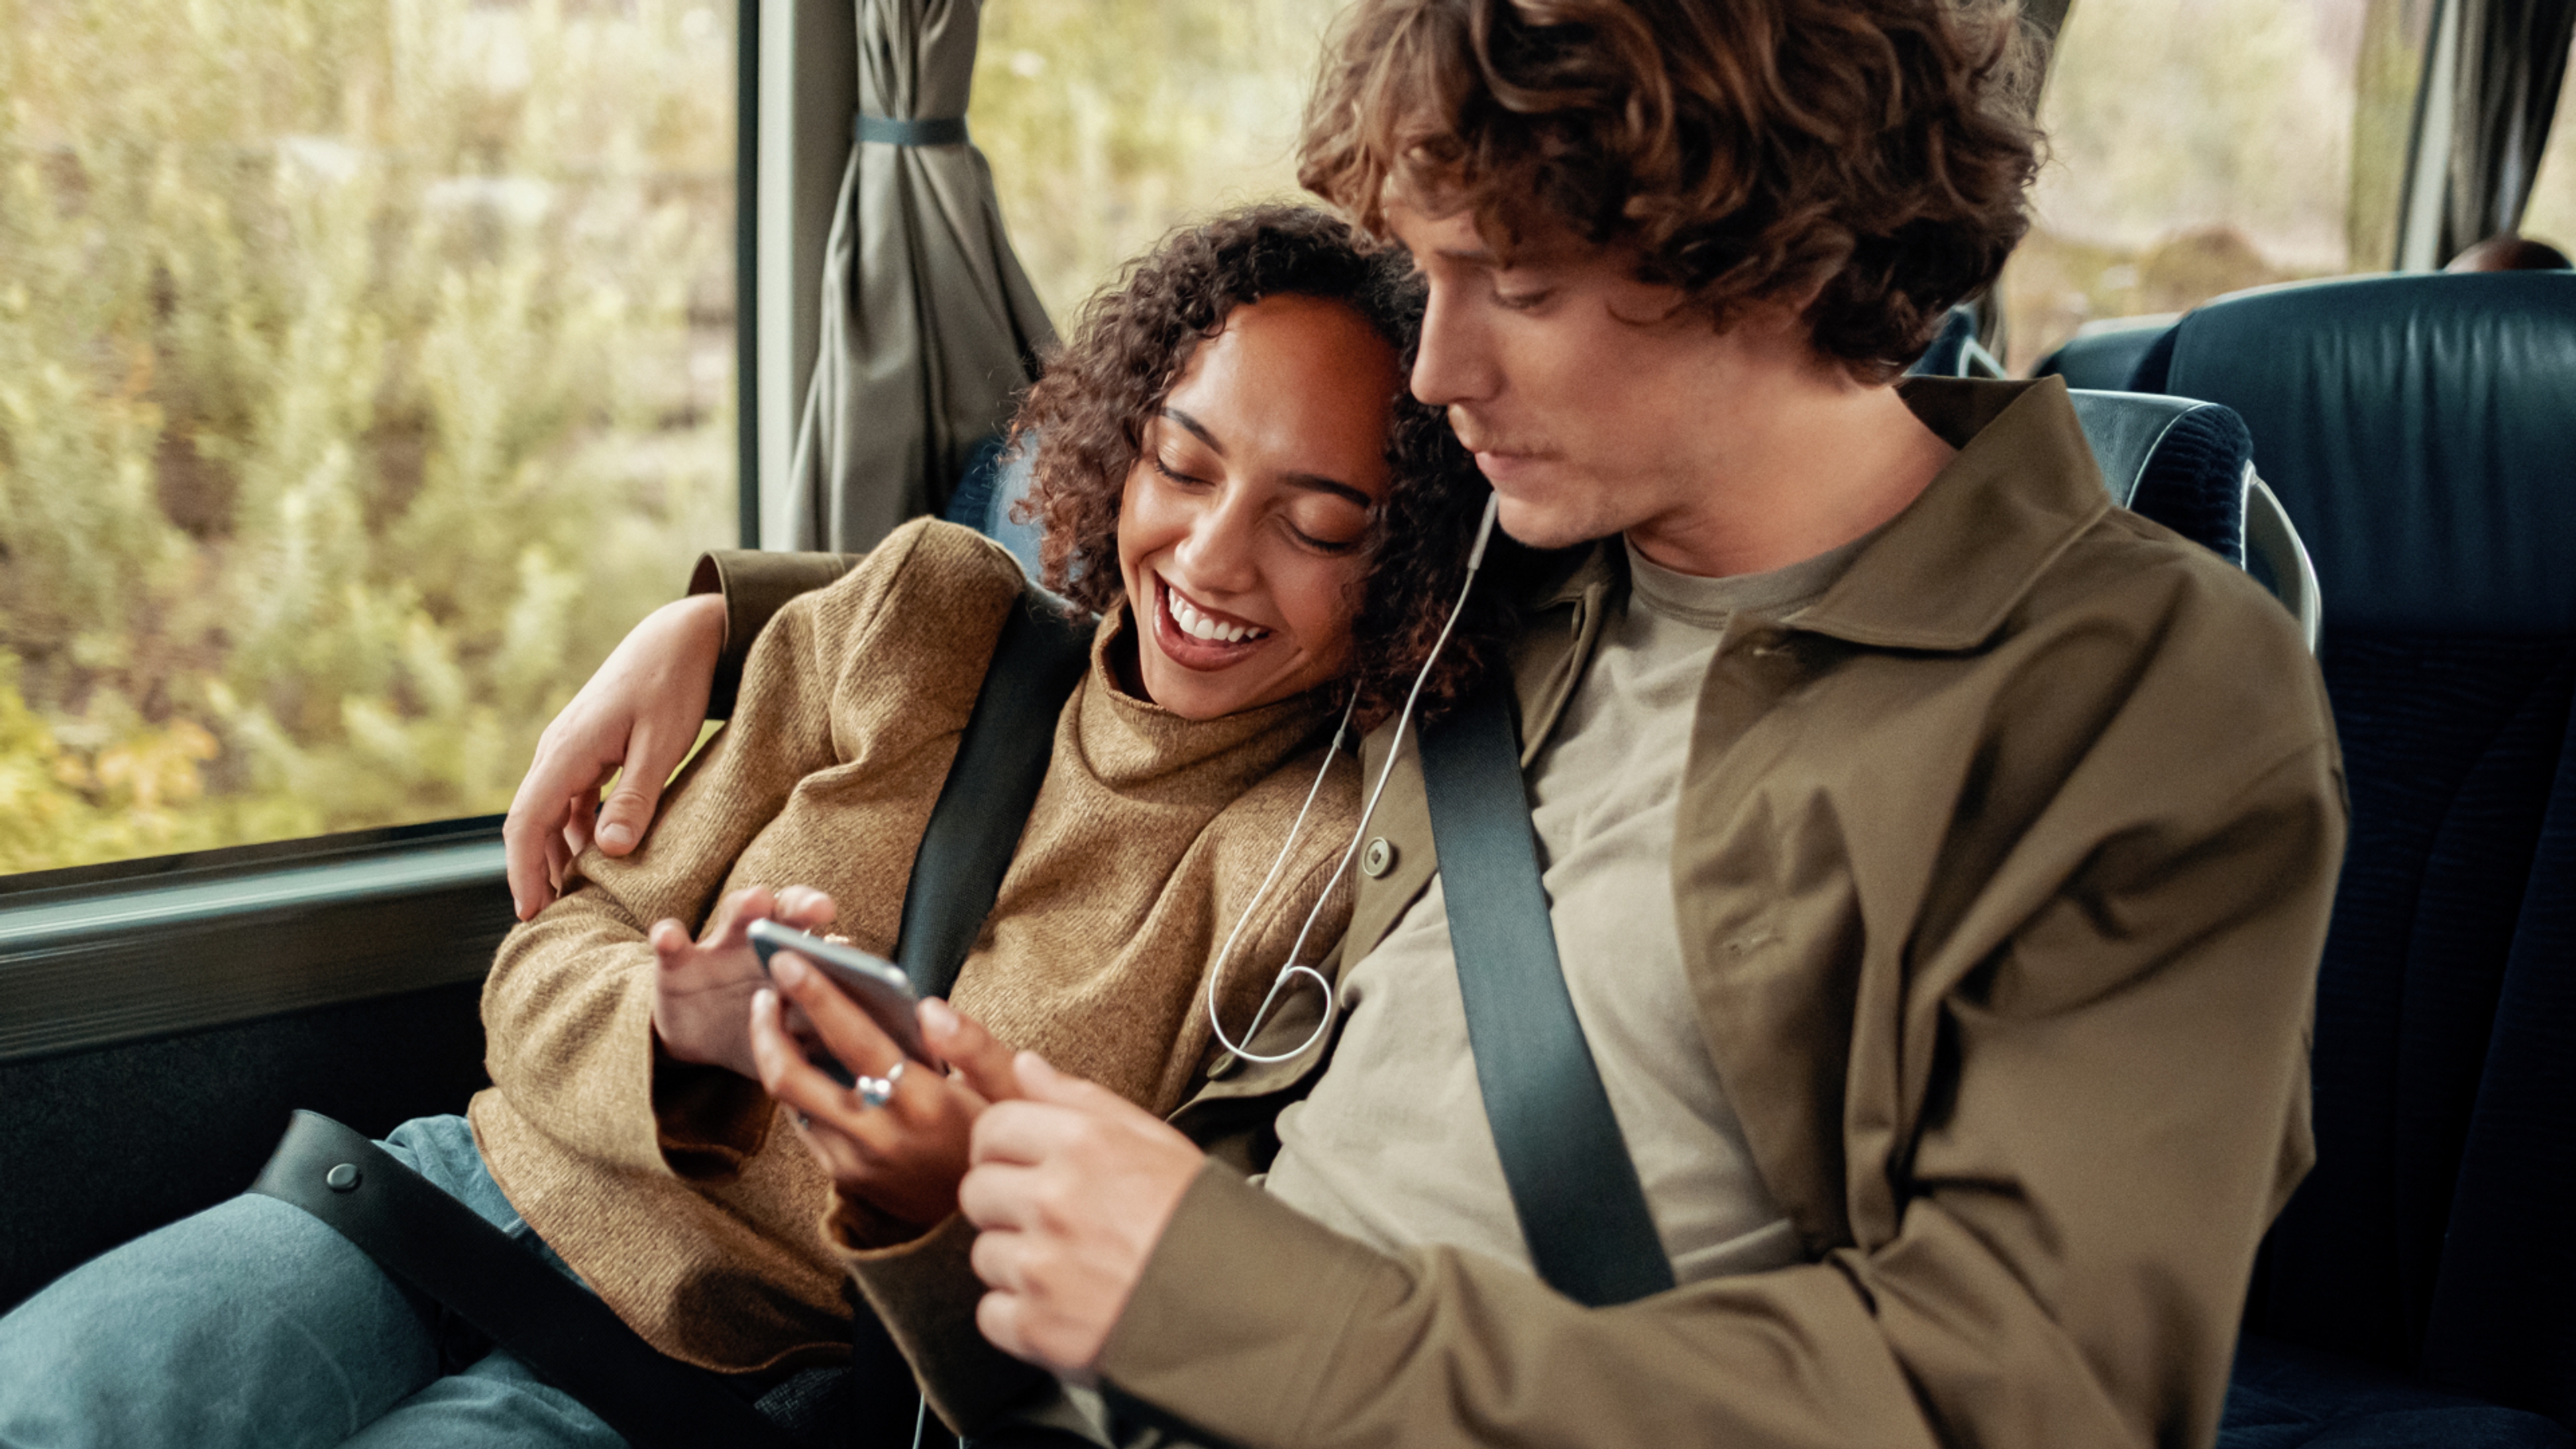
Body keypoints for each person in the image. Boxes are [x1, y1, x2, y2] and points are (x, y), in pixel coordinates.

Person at [504, 1, 2349, 1445]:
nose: (1440, 370)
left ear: (1773, 262)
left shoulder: (2131, 694)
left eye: (1517, 292)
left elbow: (2033, 1407)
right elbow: (1138, 578)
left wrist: (1215, 1296)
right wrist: (722, 618)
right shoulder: (1509, 576)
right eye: (1434, 272)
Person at [0, 205, 1514, 1448]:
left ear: (1413, 560)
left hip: (711, 1387)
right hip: (441, 1200)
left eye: (1319, 525)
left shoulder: (1309, 869)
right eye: (1181, 465)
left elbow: (1137, 1319)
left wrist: (938, 1189)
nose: (1212, 554)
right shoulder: (921, 617)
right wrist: (675, 1028)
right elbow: (544, 963)